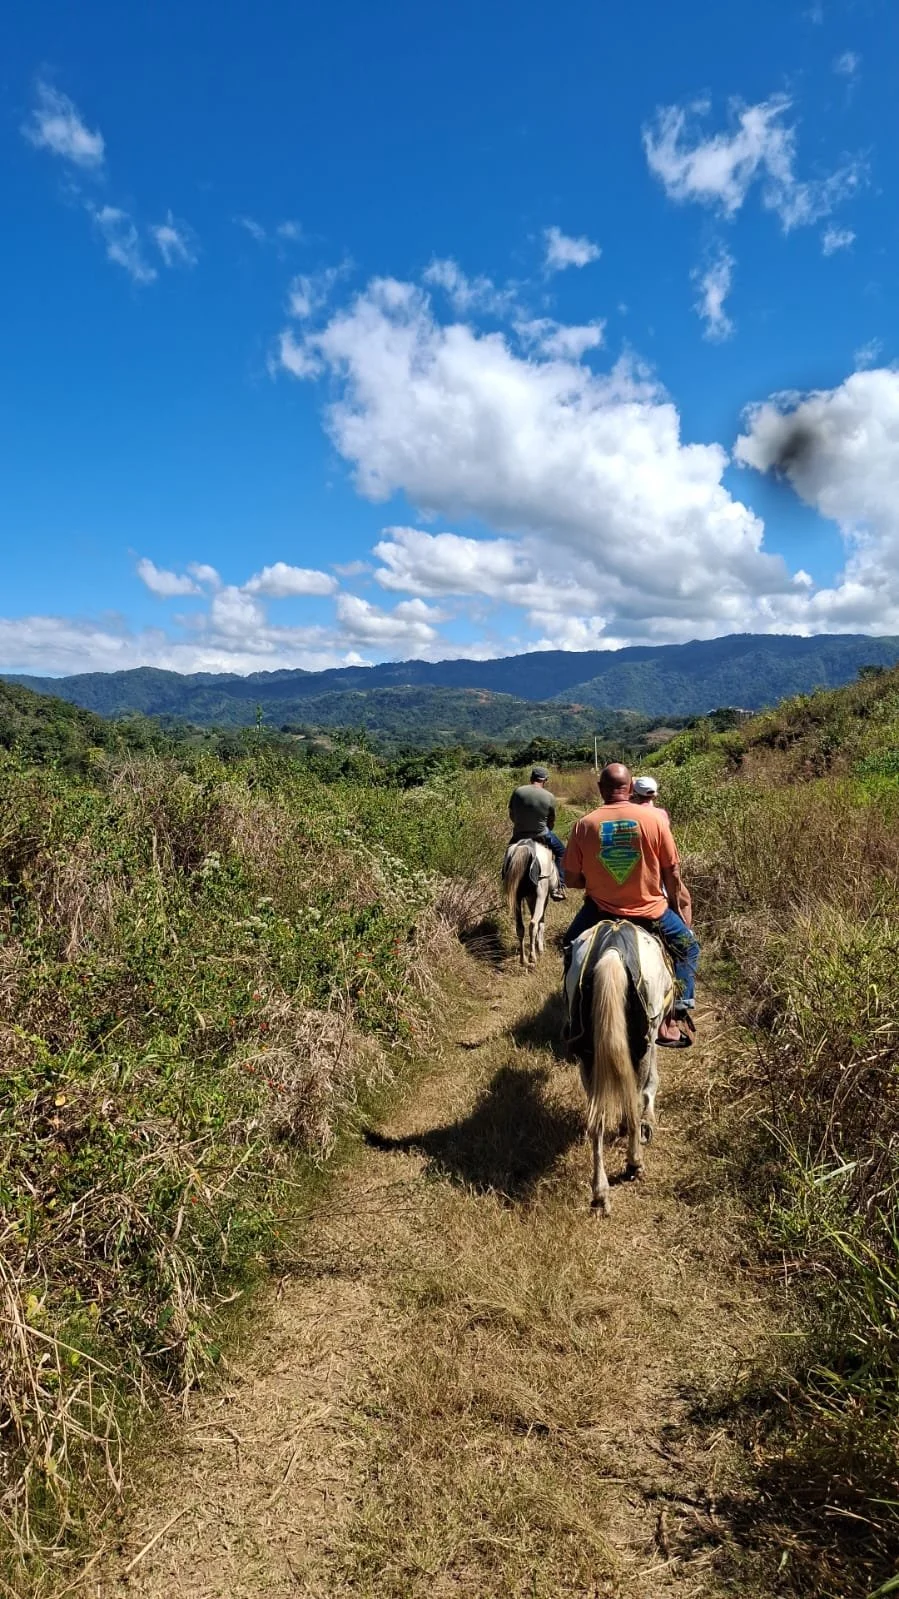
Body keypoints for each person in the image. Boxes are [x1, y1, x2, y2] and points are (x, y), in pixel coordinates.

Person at [561, 762, 699, 1045]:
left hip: (599, 910)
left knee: (570, 946)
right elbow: (672, 872)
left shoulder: (584, 824)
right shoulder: (655, 821)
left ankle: (574, 1015)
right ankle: (675, 1015)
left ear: (600, 789)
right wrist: (674, 904)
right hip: (651, 912)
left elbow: (572, 880)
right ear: (630, 786)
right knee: (687, 948)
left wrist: (599, 878)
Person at [508, 765, 566, 900]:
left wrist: (520, 826)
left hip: (518, 835)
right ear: (545, 780)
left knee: (508, 855)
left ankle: (506, 882)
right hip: (541, 834)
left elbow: (512, 814)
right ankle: (559, 887)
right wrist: (546, 829)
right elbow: (551, 821)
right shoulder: (549, 796)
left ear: (531, 778)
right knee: (562, 853)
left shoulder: (517, 791)